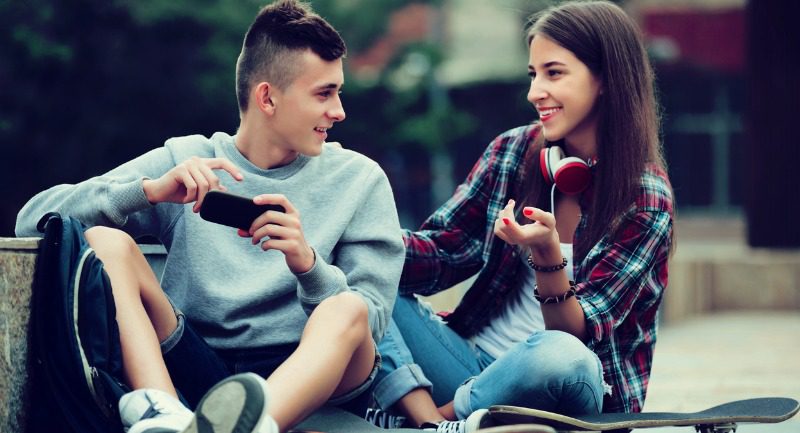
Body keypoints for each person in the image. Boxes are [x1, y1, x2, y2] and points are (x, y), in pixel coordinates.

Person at [15, 1, 405, 433]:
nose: (339, 111)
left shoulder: (361, 179)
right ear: (267, 97)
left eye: (338, 92)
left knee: (346, 307)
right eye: (324, 93)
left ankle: (252, 423)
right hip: (194, 360)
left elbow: (371, 322)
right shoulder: (187, 159)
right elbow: (33, 221)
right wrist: (148, 191)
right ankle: (163, 414)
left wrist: (308, 267)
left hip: (311, 372)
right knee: (107, 243)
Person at [367, 2, 675, 432]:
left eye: (554, 73)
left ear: (605, 78)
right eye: (533, 74)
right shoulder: (513, 152)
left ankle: (431, 422)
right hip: (471, 368)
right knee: (361, 284)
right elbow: (441, 253)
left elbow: (575, 337)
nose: (534, 92)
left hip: (569, 388)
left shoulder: (645, 197)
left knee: (556, 355)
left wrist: (547, 255)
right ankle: (437, 423)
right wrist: (362, 239)